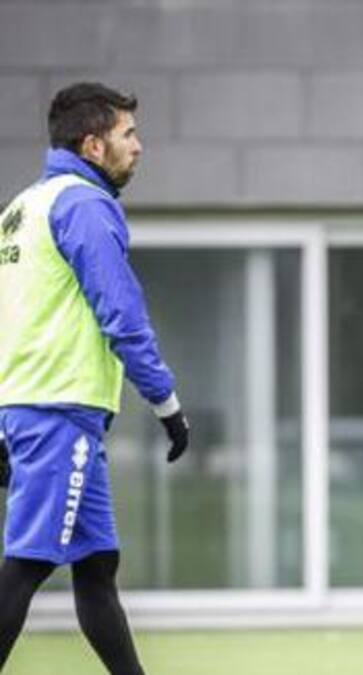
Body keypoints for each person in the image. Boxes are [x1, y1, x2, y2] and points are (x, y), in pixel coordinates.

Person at [0, 82, 190, 674]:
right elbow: (123, 317)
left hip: (36, 409)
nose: (138, 146)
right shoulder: (84, 206)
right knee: (27, 565)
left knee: (97, 569)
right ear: (92, 146)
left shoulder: (21, 209)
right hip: (58, 412)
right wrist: (166, 404)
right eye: (127, 134)